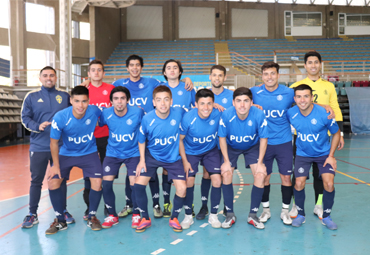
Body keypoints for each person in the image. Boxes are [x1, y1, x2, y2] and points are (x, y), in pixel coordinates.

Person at [112, 55, 193, 219]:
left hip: (170, 148)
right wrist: (87, 83)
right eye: (132, 65)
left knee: (172, 182)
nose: (163, 103)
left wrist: (186, 79)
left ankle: (166, 210)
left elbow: (197, 108)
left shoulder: (167, 94)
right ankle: (139, 212)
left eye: (138, 65)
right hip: (146, 144)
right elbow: (105, 88)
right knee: (136, 177)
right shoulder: (123, 86)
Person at [290, 51, 344, 219]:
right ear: (305, 65)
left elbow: (334, 108)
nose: (313, 65)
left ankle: (319, 204)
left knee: (320, 176)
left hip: (323, 137)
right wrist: (317, 103)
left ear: (320, 64)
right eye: (309, 62)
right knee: (298, 175)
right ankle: (295, 205)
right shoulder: (297, 85)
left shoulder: (328, 86)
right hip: (302, 137)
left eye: (316, 62)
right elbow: (295, 104)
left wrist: (340, 132)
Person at [46, 86, 103, 234]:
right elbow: (53, 142)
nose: (80, 105)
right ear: (71, 101)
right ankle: (60, 220)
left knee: (97, 182)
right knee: (53, 181)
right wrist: (55, 165)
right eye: (77, 101)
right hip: (67, 153)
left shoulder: (95, 111)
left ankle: (92, 217)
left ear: (88, 101)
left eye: (84, 101)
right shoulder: (60, 117)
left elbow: (104, 120)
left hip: (89, 153)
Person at [21, 66, 71, 228]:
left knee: (60, 180)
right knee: (36, 180)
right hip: (39, 146)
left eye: (51, 75)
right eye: (45, 75)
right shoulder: (31, 96)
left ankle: (62, 211)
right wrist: (37, 126)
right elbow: (25, 118)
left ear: (56, 78)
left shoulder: (64, 96)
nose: (48, 78)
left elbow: (73, 114)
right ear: (40, 78)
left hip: (60, 147)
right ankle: (32, 213)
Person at [134, 85, 187, 233]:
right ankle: (145, 218)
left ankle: (174, 217)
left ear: (171, 101)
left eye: (166, 99)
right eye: (159, 100)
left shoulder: (180, 113)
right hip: (152, 156)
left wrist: (213, 104)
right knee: (138, 185)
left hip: (173, 157)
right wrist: (142, 160)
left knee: (182, 188)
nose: (163, 103)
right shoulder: (147, 118)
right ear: (154, 102)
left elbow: (200, 110)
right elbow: (141, 139)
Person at [287, 84, 340, 230]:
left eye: (306, 96)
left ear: (312, 98)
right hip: (302, 154)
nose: (302, 100)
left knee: (329, 183)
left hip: (323, 154)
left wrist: (331, 156)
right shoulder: (291, 113)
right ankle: (300, 214)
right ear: (294, 98)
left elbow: (336, 133)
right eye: (299, 96)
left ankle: (327, 216)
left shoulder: (324, 113)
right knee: (298, 183)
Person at [250, 61, 295, 225]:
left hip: (283, 142)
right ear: (262, 76)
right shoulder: (254, 92)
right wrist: (251, 104)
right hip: (263, 143)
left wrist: (325, 106)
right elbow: (237, 102)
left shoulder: (289, 92)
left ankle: (285, 211)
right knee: (264, 178)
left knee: (286, 178)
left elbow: (306, 102)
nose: (269, 77)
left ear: (278, 75)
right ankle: (266, 210)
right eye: (266, 74)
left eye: (272, 73)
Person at [218, 87, 268, 229]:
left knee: (260, 175)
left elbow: (264, 139)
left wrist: (260, 163)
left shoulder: (258, 114)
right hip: (231, 147)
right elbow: (222, 138)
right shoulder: (227, 115)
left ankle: (253, 215)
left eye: (246, 101)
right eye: (238, 101)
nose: (242, 105)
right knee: (226, 173)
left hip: (252, 146)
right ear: (233, 102)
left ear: (251, 102)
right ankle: (230, 215)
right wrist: (226, 162)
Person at [99, 86, 144, 229]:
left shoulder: (138, 112)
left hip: (133, 153)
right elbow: (95, 123)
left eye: (122, 98)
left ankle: (136, 214)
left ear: (128, 100)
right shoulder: (106, 113)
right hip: (113, 153)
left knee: (134, 184)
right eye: (116, 99)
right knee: (105, 184)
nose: (119, 102)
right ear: (111, 101)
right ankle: (112, 215)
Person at [179, 89, 223, 229]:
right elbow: (180, 140)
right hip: (191, 152)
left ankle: (213, 215)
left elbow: (237, 111)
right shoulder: (188, 117)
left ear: (214, 104)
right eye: (202, 104)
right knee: (189, 180)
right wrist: (185, 161)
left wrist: (255, 106)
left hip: (210, 151)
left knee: (217, 179)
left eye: (209, 104)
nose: (206, 107)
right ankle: (187, 216)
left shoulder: (218, 113)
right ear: (196, 104)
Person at [196, 65, 234, 220]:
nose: (217, 78)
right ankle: (204, 206)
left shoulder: (232, 95)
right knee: (207, 174)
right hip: (209, 144)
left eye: (220, 75)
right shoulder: (203, 95)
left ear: (224, 78)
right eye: (214, 75)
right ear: (210, 77)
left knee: (226, 174)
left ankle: (227, 206)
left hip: (226, 143)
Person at [161, 59, 196, 217]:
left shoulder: (188, 87)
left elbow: (198, 106)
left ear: (180, 72)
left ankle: (189, 203)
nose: (172, 70)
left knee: (188, 169)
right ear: (164, 72)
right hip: (166, 135)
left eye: (175, 68)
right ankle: (167, 202)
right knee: (166, 170)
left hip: (185, 135)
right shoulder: (160, 89)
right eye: (169, 68)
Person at [83, 59, 115, 220]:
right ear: (88, 73)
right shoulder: (83, 90)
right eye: (93, 70)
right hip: (87, 139)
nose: (96, 73)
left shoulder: (111, 89)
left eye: (99, 70)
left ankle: (108, 207)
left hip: (107, 137)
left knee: (107, 175)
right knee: (89, 175)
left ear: (103, 73)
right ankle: (90, 208)